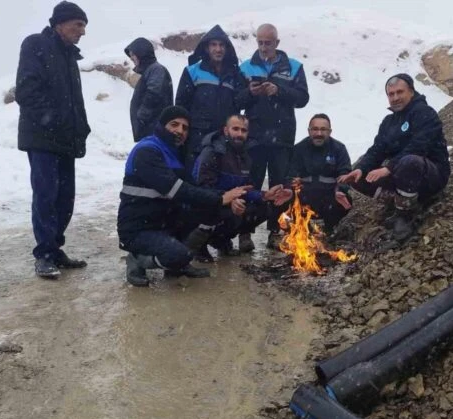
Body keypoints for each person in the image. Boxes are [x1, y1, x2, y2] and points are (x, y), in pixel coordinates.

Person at [117, 106, 248, 286]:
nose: (180, 131)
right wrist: (220, 198)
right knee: (178, 254)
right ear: (162, 126)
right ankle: (138, 258)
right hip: (139, 228)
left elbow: (193, 187)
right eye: (174, 124)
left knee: (213, 212)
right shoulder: (147, 151)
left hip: (164, 221)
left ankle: (177, 262)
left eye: (185, 128)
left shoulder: (174, 154)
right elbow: (177, 190)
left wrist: (226, 196)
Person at [15, 1, 91, 278]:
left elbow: (73, 101)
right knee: (46, 195)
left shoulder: (70, 56)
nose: (82, 31)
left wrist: (81, 127)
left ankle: (55, 248)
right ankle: (44, 253)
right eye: (78, 24)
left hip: (65, 138)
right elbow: (27, 91)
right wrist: (54, 121)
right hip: (43, 137)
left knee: (65, 197)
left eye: (84, 26)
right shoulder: (36, 44)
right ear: (60, 23)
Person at [338, 73, 450, 243]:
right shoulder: (388, 122)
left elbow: (420, 146)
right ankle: (401, 201)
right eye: (391, 94)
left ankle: (405, 215)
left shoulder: (425, 113)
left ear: (411, 92)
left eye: (400, 92)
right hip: (402, 174)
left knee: (410, 161)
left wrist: (389, 168)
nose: (395, 98)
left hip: (431, 174)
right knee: (356, 178)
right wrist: (361, 168)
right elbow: (377, 150)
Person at [237, 23, 309, 248]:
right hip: (255, 138)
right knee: (251, 184)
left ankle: (276, 231)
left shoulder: (294, 67)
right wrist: (250, 93)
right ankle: (245, 232)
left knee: (280, 186)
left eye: (268, 43)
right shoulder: (246, 67)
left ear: (277, 43)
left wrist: (279, 91)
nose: (264, 47)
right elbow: (236, 101)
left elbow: (303, 98)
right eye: (260, 42)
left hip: (282, 137)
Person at [193, 115, 283, 258]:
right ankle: (200, 245)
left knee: (263, 208)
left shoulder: (245, 156)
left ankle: (222, 240)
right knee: (228, 213)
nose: (240, 134)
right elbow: (200, 189)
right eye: (235, 129)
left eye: (244, 130)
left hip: (228, 203)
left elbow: (244, 190)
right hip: (207, 205)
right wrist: (227, 199)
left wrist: (264, 195)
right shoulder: (211, 152)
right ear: (226, 130)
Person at [175, 25, 244, 170]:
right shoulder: (192, 71)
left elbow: (239, 104)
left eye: (221, 45)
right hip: (197, 138)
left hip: (224, 138)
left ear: (227, 48)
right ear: (206, 48)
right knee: (195, 177)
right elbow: (181, 105)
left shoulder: (235, 75)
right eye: (213, 45)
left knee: (221, 180)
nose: (218, 49)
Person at [276, 114, 352, 235]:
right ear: (309, 131)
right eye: (315, 129)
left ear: (330, 131)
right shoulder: (299, 149)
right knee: (282, 198)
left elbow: (345, 173)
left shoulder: (339, 149)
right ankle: (299, 229)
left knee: (346, 199)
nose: (319, 133)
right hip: (305, 197)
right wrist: (289, 189)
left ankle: (330, 229)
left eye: (323, 129)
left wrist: (340, 190)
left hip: (329, 198)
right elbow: (290, 174)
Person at [124, 37, 173, 142]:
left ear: (141, 53)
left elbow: (154, 93)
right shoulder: (151, 70)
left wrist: (142, 117)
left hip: (153, 129)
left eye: (133, 54)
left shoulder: (156, 69)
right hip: (150, 129)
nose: (131, 58)